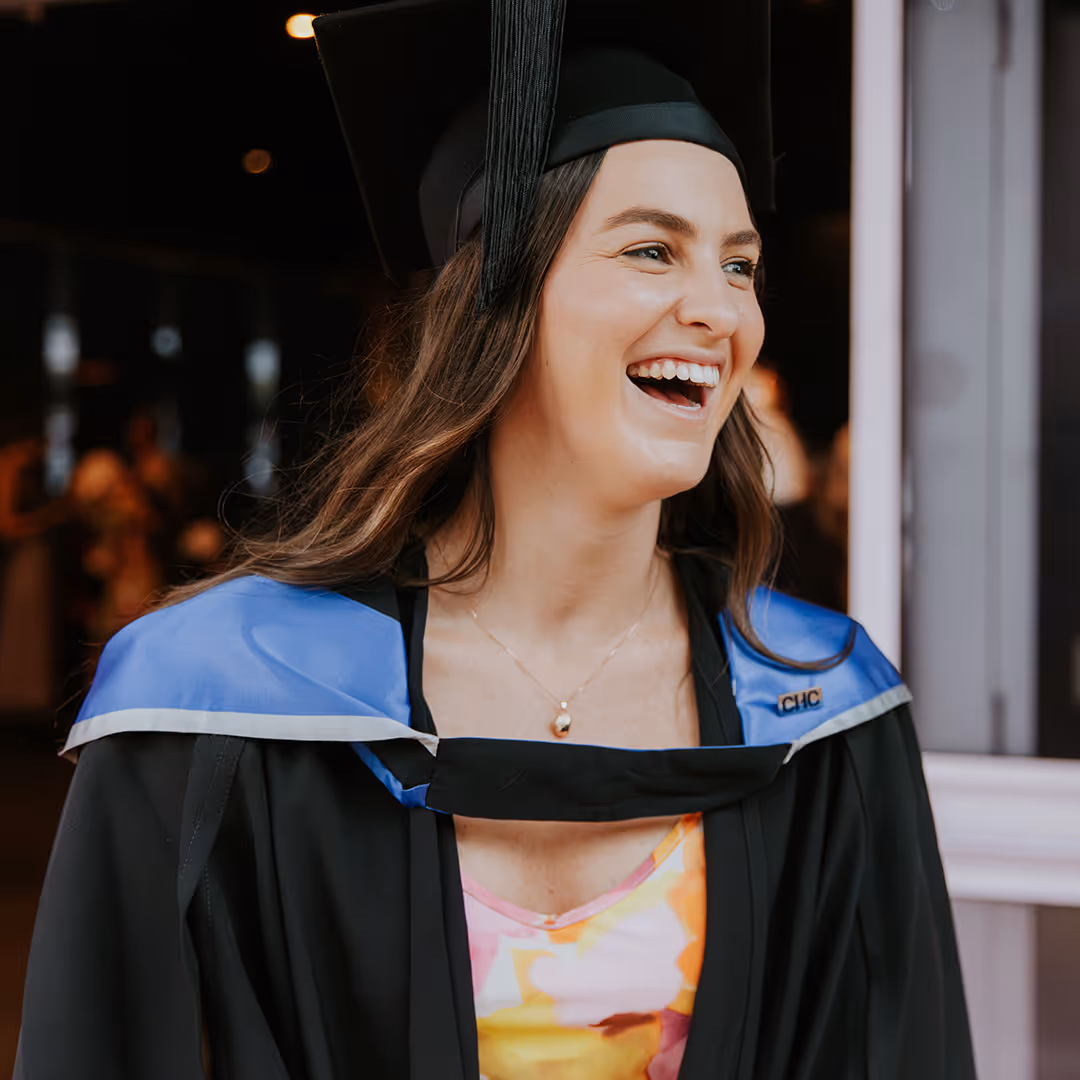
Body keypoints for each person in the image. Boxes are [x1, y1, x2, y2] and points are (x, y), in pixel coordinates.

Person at [16, 1, 975, 1077]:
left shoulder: (823, 709)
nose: (720, 310)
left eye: (741, 266)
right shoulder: (221, 700)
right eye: (654, 248)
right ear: (496, 299)